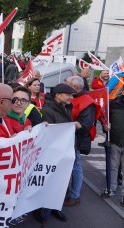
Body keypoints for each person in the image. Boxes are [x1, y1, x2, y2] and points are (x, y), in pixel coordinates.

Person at [38, 83, 77, 224]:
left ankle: (55, 208)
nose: (71, 98)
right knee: (50, 183)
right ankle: (43, 213)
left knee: (62, 183)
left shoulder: (65, 108)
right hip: (54, 154)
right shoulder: (48, 110)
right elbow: (51, 132)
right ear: (58, 95)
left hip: (64, 152)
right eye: (69, 95)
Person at [65, 76, 100, 206]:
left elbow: (85, 125)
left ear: (75, 87)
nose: (64, 85)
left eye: (66, 84)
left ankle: (75, 195)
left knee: (76, 167)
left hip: (77, 139)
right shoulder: (75, 98)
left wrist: (66, 124)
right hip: (70, 138)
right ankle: (70, 193)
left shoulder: (87, 102)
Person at [108, 94, 124, 207]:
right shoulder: (113, 104)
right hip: (115, 141)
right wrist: (106, 126)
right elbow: (106, 119)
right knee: (114, 166)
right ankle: (111, 189)